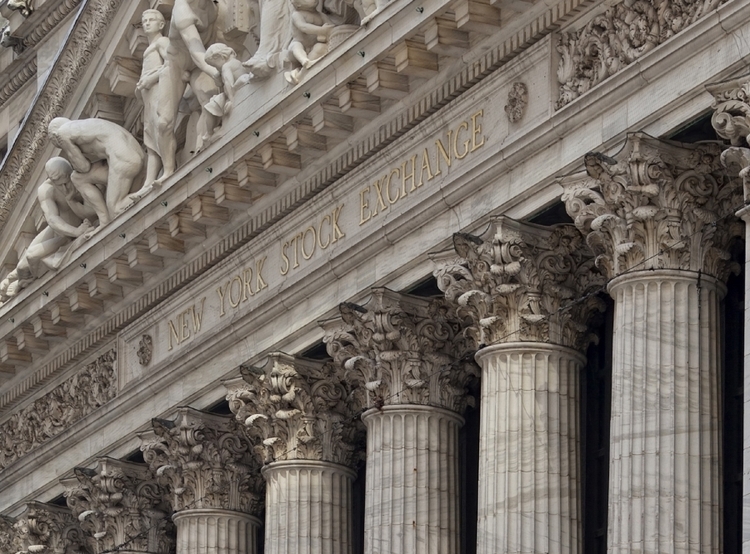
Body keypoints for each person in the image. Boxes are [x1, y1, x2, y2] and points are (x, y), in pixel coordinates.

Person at [0, 158, 97, 300]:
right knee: (26, 262)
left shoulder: (79, 175)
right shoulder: (46, 190)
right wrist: (75, 232)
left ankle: (15, 280)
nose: (64, 188)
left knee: (29, 260)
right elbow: (52, 219)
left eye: (65, 182)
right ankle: (17, 281)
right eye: (59, 184)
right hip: (60, 233)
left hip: (79, 225)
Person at [47, 117, 147, 225]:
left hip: (123, 160)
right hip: (136, 154)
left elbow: (83, 166)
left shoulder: (62, 133)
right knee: (78, 178)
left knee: (115, 209)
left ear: (55, 136)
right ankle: (104, 220)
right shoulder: (87, 124)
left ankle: (147, 191)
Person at [136, 9, 171, 188]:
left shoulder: (162, 42)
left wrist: (150, 78)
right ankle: (148, 182)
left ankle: (168, 169)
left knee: (161, 127)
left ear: (162, 24)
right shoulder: (150, 48)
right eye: (144, 21)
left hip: (159, 90)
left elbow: (171, 64)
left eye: (151, 20)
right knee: (150, 138)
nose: (147, 23)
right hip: (148, 96)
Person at [200, 43, 251, 148]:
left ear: (219, 57)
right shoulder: (237, 62)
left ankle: (209, 133)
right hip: (242, 84)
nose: (216, 68)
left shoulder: (226, 66)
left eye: (214, 65)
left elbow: (228, 83)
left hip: (233, 92)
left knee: (209, 107)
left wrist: (231, 101)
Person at [285, 0, 334, 84]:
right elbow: (304, 27)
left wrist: (329, 30)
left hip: (312, 48)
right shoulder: (297, 14)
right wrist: (321, 30)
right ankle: (304, 60)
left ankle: (304, 70)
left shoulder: (321, 15)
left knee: (321, 47)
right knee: (296, 45)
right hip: (296, 51)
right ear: (298, 4)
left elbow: (331, 27)